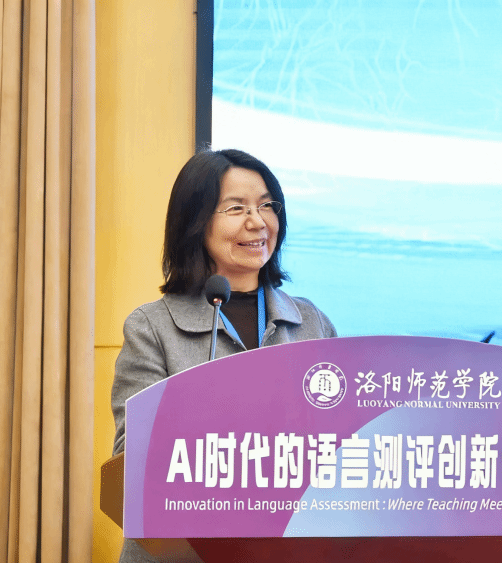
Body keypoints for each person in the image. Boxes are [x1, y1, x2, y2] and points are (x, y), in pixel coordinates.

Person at [111, 149, 337, 562]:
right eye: (236, 208)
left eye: (266, 205)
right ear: (196, 223)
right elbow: (130, 459)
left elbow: (342, 441)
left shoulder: (311, 323)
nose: (258, 221)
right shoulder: (152, 327)